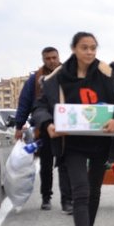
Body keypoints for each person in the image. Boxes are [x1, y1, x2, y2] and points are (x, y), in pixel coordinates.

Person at [32, 32, 114, 226]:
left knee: (94, 188)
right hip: (72, 144)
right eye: (84, 48)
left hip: (100, 142)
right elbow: (39, 107)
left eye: (93, 48)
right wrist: (48, 124)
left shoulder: (107, 73)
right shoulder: (56, 78)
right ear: (73, 49)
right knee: (80, 190)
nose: (89, 52)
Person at [14, 46, 72, 213]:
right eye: (48, 58)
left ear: (59, 57)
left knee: (65, 163)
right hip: (44, 126)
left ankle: (67, 201)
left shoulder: (68, 74)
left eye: (54, 57)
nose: (52, 61)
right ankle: (46, 197)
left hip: (65, 126)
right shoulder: (35, 79)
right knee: (46, 164)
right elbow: (25, 102)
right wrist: (19, 126)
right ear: (43, 60)